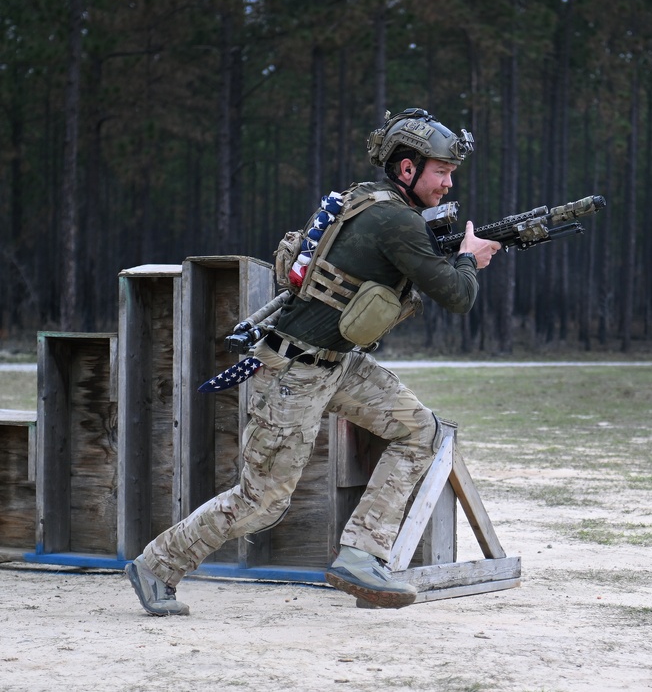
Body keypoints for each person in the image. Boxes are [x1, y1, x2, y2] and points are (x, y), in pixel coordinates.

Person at [126, 108, 501, 614]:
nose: (449, 183)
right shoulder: (395, 219)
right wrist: (468, 259)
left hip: (336, 364)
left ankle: (362, 555)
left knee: (422, 432)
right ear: (406, 169)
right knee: (262, 501)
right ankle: (157, 564)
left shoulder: (369, 203)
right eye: (441, 171)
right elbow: (457, 295)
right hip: (294, 373)